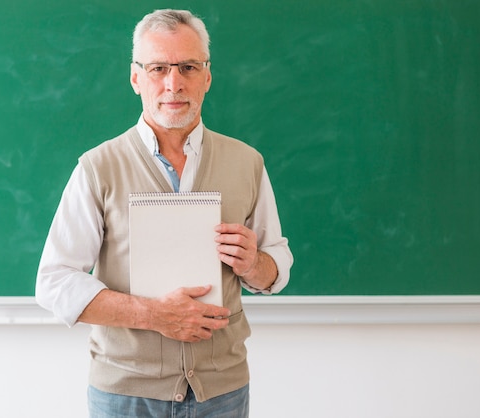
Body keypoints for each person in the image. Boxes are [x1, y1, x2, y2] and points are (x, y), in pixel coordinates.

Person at [36, 9, 293, 417]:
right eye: (158, 68)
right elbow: (53, 283)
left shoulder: (247, 163)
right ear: (136, 77)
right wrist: (155, 315)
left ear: (207, 76)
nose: (173, 83)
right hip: (125, 395)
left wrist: (254, 263)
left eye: (188, 67)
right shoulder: (97, 168)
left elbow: (276, 266)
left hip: (223, 393)